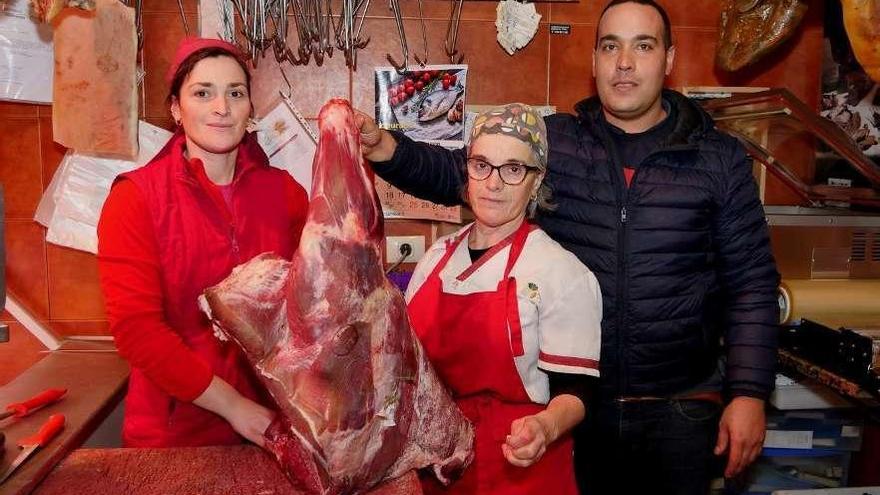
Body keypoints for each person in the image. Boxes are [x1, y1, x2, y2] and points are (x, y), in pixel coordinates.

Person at [356, 1, 781, 493]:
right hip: (579, 410)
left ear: (668, 60)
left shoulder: (718, 159)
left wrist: (749, 393)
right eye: (610, 46)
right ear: (595, 60)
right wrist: (385, 148)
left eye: (643, 46)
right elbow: (466, 173)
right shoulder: (558, 143)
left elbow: (751, 283)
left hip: (680, 409)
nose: (624, 62)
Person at [97, 37, 308, 448]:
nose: (221, 108)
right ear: (176, 108)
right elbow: (137, 331)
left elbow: (310, 304)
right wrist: (232, 405)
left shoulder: (285, 193)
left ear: (250, 108)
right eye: (202, 93)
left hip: (272, 424)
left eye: (235, 93)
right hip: (175, 431)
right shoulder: (135, 199)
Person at [406, 103, 601, 495]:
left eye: (513, 169)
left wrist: (545, 428)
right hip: (439, 464)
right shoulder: (434, 260)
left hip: (521, 467)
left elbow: (576, 393)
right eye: (482, 165)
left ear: (537, 179)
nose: (493, 183)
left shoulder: (561, 272)